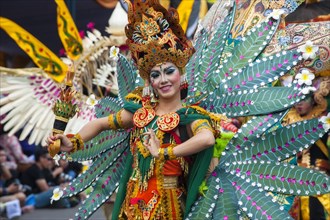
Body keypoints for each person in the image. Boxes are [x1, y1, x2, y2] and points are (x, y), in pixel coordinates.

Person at [47, 0, 330, 219]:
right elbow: (100, 124)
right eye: (155, 75)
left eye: (168, 71)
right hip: (132, 204)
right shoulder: (140, 114)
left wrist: (166, 152)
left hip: (170, 206)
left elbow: (206, 139)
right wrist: (70, 141)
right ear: (149, 81)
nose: (162, 80)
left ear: (181, 74)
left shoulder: (192, 116)